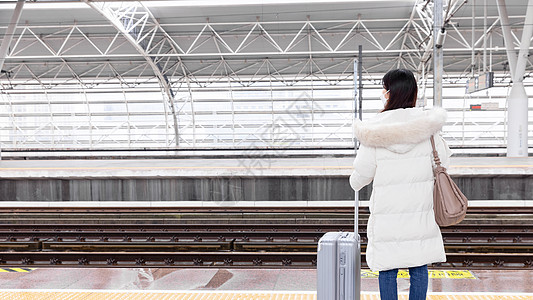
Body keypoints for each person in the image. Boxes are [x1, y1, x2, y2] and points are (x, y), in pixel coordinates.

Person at [349, 69, 451, 300]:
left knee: (387, 267)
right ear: (413, 93)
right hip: (420, 209)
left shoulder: (375, 130)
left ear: (388, 93)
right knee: (418, 264)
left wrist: (353, 181)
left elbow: (362, 175)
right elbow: (443, 161)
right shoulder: (428, 127)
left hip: (387, 214)